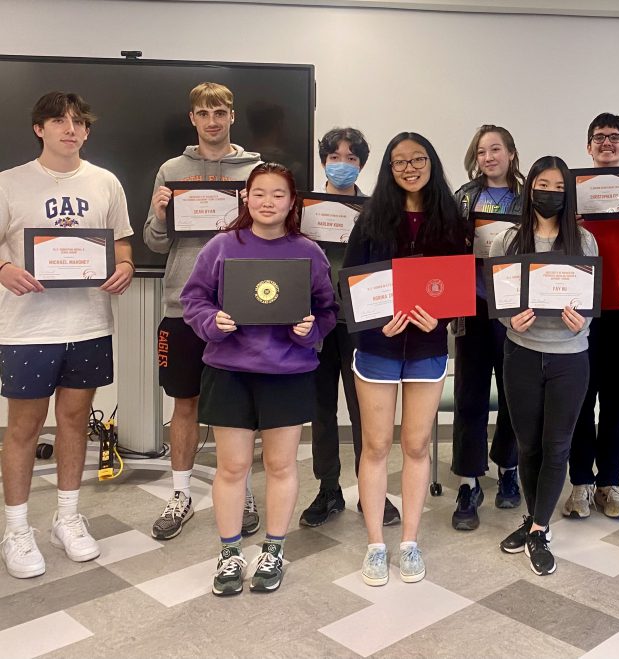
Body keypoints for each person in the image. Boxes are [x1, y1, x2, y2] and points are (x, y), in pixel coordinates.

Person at [181, 163, 337, 595]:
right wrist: (213, 321)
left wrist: (312, 330)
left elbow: (327, 310)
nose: (268, 202)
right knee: (232, 467)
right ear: (245, 198)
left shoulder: (309, 252)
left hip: (288, 373)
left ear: (293, 203)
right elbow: (193, 299)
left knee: (281, 465)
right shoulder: (221, 246)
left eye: (278, 194)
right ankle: (230, 553)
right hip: (230, 371)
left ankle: (274, 549)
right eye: (259, 193)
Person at [0, 91, 134, 579]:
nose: (69, 129)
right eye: (58, 121)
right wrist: (4, 269)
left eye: (78, 122)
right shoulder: (9, 183)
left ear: (87, 131)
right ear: (40, 128)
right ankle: (16, 529)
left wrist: (123, 265)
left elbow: (120, 241)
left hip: (89, 323)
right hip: (27, 326)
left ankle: (68, 517)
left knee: (75, 422)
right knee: (24, 429)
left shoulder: (106, 182)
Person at [343, 132, 470, 586]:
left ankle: (410, 542)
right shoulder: (371, 219)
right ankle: (377, 544)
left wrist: (441, 317)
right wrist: (378, 324)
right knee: (376, 446)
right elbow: (352, 284)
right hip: (378, 345)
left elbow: (462, 286)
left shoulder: (451, 220)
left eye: (418, 159)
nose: (410, 167)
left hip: (427, 347)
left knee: (416, 446)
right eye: (399, 162)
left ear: (432, 163)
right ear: (388, 170)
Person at [144, 82, 262, 540]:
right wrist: (158, 213)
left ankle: (245, 490)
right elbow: (156, 242)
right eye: (203, 113)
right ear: (192, 118)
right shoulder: (172, 169)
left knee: (241, 405)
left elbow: (268, 232)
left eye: (220, 111)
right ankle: (180, 495)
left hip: (243, 305)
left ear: (232, 115)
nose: (212, 120)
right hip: (183, 304)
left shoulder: (254, 168)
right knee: (184, 403)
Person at [494, 156, 598, 576]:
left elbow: (590, 302)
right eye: (542, 183)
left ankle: (539, 528)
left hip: (569, 359)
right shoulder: (509, 240)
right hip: (520, 353)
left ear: (567, 192)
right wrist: (508, 320)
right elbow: (500, 297)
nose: (549, 192)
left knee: (557, 446)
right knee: (528, 446)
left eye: (558, 186)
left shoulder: (584, 242)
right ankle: (534, 518)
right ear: (529, 188)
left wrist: (581, 322)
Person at [299, 127, 401, 529]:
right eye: (335, 157)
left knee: (367, 411)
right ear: (324, 160)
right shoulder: (303, 207)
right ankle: (328, 489)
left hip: (363, 322)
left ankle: (371, 491)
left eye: (352, 159)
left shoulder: (376, 208)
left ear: (362, 164)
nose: (343, 165)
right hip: (316, 322)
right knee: (322, 409)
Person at [564, 113, 619, 521]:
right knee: (580, 401)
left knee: (616, 403)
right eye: (598, 137)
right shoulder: (569, 197)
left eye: (615, 137)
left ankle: (609, 483)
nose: (606, 143)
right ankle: (580, 483)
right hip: (579, 313)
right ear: (587, 147)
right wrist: (570, 224)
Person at [450, 125, 524, 531]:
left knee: (514, 392)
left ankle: (508, 467)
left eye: (496, 149)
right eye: (481, 151)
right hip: (473, 305)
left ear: (511, 153)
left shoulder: (530, 194)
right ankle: (469, 479)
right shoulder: (464, 197)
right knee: (470, 394)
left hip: (514, 308)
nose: (489, 157)